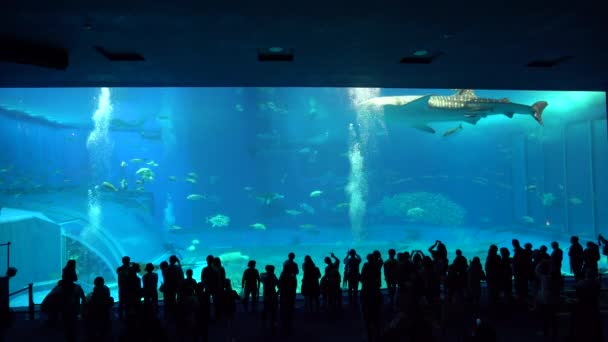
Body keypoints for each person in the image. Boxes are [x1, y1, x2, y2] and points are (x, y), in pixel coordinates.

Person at [261, 265, 279, 331]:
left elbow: (262, 279)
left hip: (268, 295)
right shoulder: (272, 276)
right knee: (272, 309)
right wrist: (278, 292)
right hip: (272, 295)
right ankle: (273, 322)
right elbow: (278, 283)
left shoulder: (263, 275)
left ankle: (265, 322)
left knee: (267, 308)